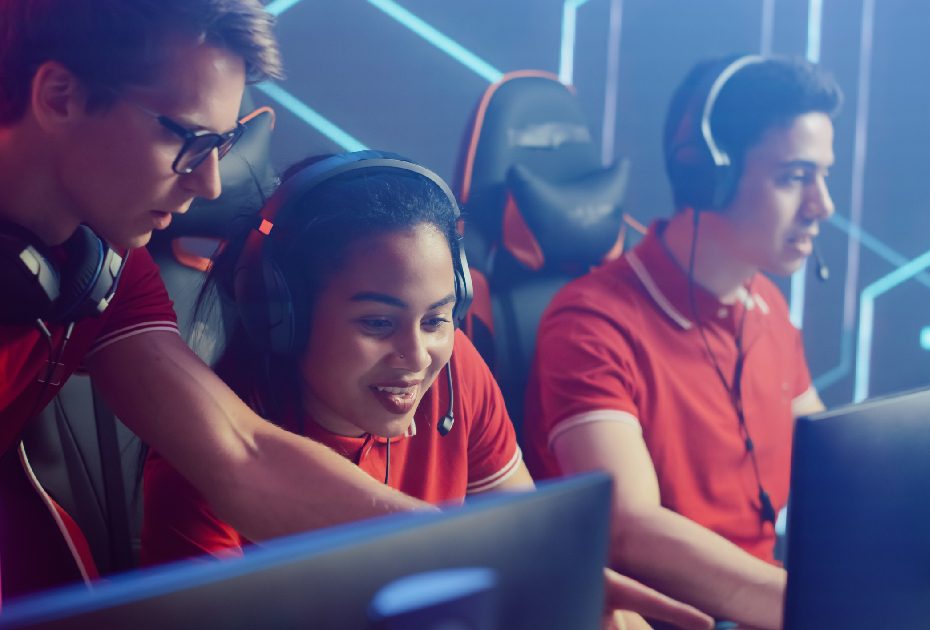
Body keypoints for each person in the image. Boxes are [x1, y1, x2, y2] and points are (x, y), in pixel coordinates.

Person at [141, 151, 714, 630]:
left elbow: (527, 554)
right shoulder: (201, 469)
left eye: (437, 320)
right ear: (282, 317)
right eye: (376, 324)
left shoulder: (455, 371)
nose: (416, 359)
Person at [0, 0, 431, 602]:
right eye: (192, 140)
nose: (209, 185)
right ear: (60, 95)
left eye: (221, 147)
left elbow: (244, 456)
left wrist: (498, 552)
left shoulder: (105, 267)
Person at [523, 55, 841, 630]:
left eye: (823, 176)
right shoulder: (592, 322)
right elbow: (629, 529)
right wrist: (815, 608)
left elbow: (836, 469)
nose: (823, 206)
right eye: (796, 177)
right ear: (706, 176)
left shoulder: (764, 304)